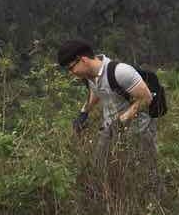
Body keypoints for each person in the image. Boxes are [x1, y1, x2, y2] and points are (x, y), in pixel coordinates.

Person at [57, 39, 157, 184]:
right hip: (110, 127)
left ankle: (154, 199)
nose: (72, 73)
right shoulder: (90, 76)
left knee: (145, 171)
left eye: (71, 68)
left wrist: (121, 120)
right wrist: (84, 112)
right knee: (99, 166)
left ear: (83, 60)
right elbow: (96, 91)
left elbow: (146, 98)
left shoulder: (121, 72)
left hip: (139, 129)